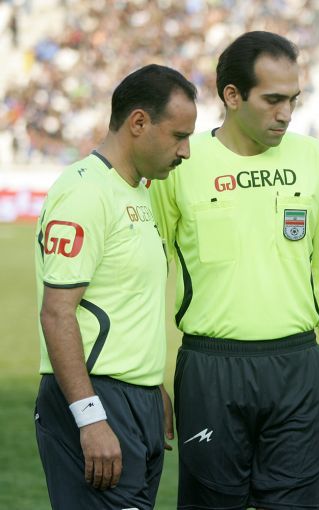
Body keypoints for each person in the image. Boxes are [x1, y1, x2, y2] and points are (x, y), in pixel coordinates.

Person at [149, 31, 319, 509]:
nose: (286, 113)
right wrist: (149, 376)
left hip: (298, 368)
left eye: (293, 99)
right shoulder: (182, 163)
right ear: (233, 96)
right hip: (210, 369)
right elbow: (149, 277)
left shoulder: (316, 160)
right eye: (273, 100)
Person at [34, 64, 197, 509]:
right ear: (139, 122)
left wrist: (151, 385)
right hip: (95, 399)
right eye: (179, 136)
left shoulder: (138, 191)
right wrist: (89, 418)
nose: (186, 151)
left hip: (137, 401)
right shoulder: (85, 193)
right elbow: (57, 312)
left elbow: (127, 300)